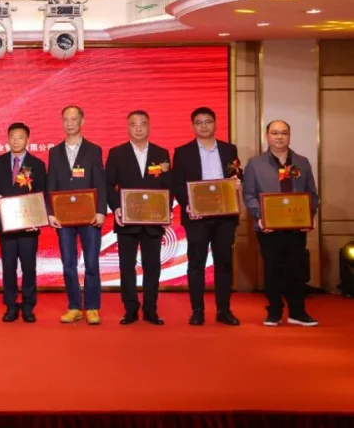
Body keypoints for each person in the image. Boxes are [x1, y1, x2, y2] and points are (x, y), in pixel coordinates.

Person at [243, 120, 320, 327]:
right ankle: (274, 311)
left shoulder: (302, 162)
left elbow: (312, 194)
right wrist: (260, 215)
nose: (279, 137)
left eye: (284, 133)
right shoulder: (255, 164)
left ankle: (297, 312)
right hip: (268, 227)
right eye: (275, 133)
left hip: (296, 226)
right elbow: (249, 195)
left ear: (289, 136)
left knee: (296, 270)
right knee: (272, 270)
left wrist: (309, 214)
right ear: (267, 136)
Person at [171, 106, 243, 326]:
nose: (204, 126)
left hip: (224, 215)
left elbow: (236, 173)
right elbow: (177, 184)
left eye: (208, 121)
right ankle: (197, 310)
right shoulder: (183, 152)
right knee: (196, 264)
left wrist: (237, 181)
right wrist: (188, 205)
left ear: (215, 123)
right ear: (193, 126)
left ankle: (224, 310)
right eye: (199, 122)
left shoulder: (229, 149)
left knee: (224, 264)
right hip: (197, 218)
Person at [106, 110, 171, 325]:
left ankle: (151, 309)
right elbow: (109, 185)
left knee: (152, 266)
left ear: (149, 126)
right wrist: (116, 207)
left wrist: (166, 209)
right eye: (134, 124)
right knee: (126, 266)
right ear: (128, 128)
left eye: (143, 124)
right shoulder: (117, 153)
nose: (139, 128)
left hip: (153, 220)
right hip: (127, 220)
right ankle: (131, 309)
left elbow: (167, 185)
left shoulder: (161, 153)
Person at [47, 106, 107, 325]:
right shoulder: (55, 152)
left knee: (91, 262)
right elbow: (51, 183)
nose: (69, 123)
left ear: (82, 121)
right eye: (66, 119)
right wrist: (50, 212)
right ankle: (74, 306)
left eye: (74, 119)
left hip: (90, 217)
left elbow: (100, 183)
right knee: (68, 263)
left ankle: (92, 307)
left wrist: (101, 211)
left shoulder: (94, 150)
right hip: (63, 218)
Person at [0, 122, 47, 323]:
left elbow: (42, 194)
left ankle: (28, 306)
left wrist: (38, 218)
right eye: (12, 137)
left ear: (27, 140)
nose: (16, 141)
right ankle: (11, 305)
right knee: (8, 266)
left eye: (20, 137)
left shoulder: (37, 164)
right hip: (6, 224)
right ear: (7, 139)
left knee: (29, 267)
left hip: (28, 225)